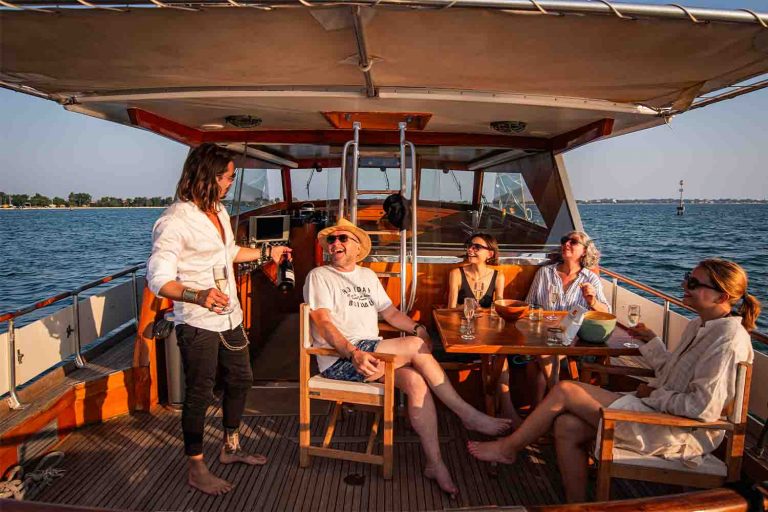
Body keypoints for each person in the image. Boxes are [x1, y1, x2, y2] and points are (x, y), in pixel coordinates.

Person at [469, 258, 760, 503]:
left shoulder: (728, 340)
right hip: (659, 415)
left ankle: (508, 448)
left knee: (566, 389)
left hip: (679, 433)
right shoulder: (700, 325)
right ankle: (578, 506)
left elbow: (702, 408)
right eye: (687, 278)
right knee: (566, 425)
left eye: (694, 283)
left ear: (722, 297)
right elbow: (672, 373)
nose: (685, 286)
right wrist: (652, 341)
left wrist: (652, 395)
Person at [304, 218, 511, 497]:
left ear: (357, 247)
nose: (335, 244)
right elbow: (323, 322)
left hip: (372, 352)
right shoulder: (320, 275)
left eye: (343, 239)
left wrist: (417, 327)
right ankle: (467, 415)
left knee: (416, 382)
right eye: (332, 239)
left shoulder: (367, 276)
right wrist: (352, 353)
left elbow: (390, 314)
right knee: (415, 346)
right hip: (341, 359)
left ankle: (435, 464)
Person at [146, 143, 291, 496]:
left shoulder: (219, 211)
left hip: (230, 317)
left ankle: (230, 447)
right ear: (208, 176)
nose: (230, 183)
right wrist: (199, 295)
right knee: (199, 394)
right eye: (228, 177)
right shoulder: (173, 221)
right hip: (197, 322)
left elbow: (228, 252)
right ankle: (196, 468)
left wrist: (268, 252)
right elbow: (158, 279)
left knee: (241, 380)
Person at [446, 233, 521, 426]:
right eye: (469, 246)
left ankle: (502, 408)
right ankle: (503, 410)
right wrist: (467, 308)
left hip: (487, 331)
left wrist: (491, 311)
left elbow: (498, 308)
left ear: (490, 253)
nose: (470, 250)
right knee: (498, 356)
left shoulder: (498, 276)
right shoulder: (457, 273)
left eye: (476, 247)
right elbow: (450, 308)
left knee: (500, 354)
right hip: (463, 331)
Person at [526, 231, 610, 399]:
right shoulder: (544, 273)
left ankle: (543, 404)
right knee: (547, 350)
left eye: (573, 242)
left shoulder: (590, 279)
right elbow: (528, 306)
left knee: (546, 353)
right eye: (564, 240)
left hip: (574, 339)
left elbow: (606, 313)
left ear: (584, 251)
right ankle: (555, 398)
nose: (567, 244)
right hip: (544, 333)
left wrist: (592, 301)